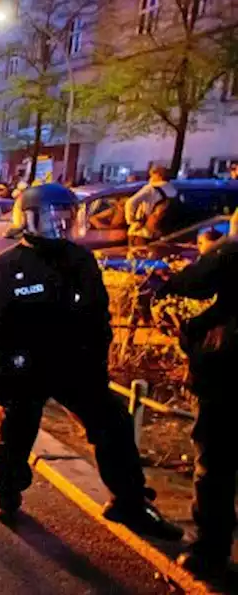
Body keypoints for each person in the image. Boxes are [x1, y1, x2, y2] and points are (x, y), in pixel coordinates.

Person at [0, 183, 183, 540]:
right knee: (14, 435)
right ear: (27, 220)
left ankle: (129, 502)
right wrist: (0, 372)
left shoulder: (79, 260)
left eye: (66, 220)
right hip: (25, 369)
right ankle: (6, 492)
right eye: (52, 220)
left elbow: (97, 315)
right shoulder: (6, 267)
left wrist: (97, 359)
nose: (61, 227)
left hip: (75, 367)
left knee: (114, 426)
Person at [156, 230, 238, 580]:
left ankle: (210, 552)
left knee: (216, 464)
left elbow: (191, 283)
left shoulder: (230, 254)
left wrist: (164, 290)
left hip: (229, 378)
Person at [125, 166, 179, 246]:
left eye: (152, 175)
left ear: (159, 175)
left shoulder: (150, 189)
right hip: (162, 233)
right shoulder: (173, 190)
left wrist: (132, 220)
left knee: (137, 255)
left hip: (142, 233)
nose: (150, 178)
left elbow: (130, 202)